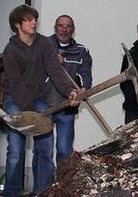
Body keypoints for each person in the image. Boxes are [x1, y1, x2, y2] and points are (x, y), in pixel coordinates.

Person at [2, 5, 81, 197]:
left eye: (35, 18)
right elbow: (15, 83)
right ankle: (12, 193)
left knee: (45, 147)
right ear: (17, 25)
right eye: (28, 19)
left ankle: (42, 192)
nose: (34, 22)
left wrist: (70, 90)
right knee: (15, 150)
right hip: (15, 100)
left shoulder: (44, 43)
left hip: (39, 99)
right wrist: (29, 114)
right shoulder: (10, 50)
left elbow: (55, 71)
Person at [46, 15, 92, 164]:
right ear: (55, 28)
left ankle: (61, 185)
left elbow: (85, 73)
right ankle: (42, 187)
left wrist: (84, 89)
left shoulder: (81, 51)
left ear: (73, 29)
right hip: (44, 104)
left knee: (64, 151)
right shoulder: (44, 46)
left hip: (68, 104)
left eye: (68, 26)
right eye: (60, 25)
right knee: (43, 150)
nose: (64, 29)